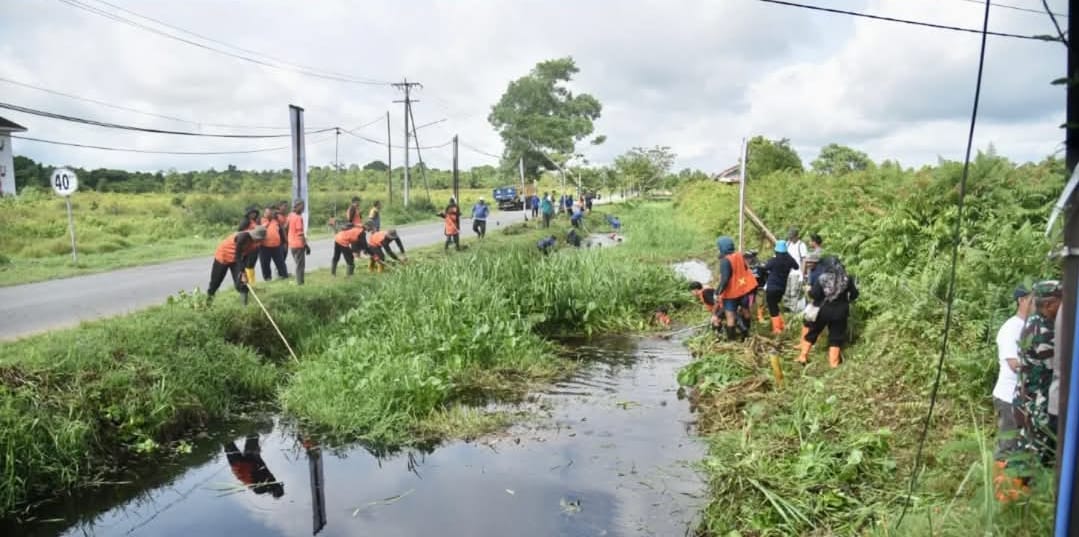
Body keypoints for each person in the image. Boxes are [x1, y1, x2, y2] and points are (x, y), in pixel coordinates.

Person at [1014, 280, 1062, 467]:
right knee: (1035, 457)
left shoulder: (1036, 321)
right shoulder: (1043, 331)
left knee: (1027, 452)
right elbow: (1060, 368)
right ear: (1049, 304)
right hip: (1037, 404)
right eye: (1062, 302)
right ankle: (1016, 491)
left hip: (1031, 399)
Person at [796, 256, 858, 367]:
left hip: (823, 310)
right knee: (836, 336)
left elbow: (815, 295)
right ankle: (833, 364)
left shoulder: (823, 278)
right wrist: (846, 300)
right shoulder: (847, 278)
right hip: (841, 312)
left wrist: (809, 290)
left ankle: (803, 356)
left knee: (813, 332)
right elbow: (854, 294)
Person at [992, 286, 1031, 461]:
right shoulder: (1011, 328)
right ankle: (1001, 486)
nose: (1035, 304)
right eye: (1032, 299)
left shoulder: (1030, 325)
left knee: (1021, 447)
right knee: (1007, 447)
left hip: (1023, 398)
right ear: (1021, 301)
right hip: (1008, 398)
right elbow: (1013, 364)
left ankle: (1015, 486)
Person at [714, 236, 759, 341]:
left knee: (730, 316)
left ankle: (731, 340)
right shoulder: (739, 255)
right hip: (744, 289)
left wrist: (717, 292)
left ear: (722, 247)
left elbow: (725, 279)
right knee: (746, 310)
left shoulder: (725, 261)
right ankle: (746, 334)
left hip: (732, 292)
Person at [208, 225, 266, 305]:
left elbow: (246, 259)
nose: (258, 241)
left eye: (260, 239)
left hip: (236, 261)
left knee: (243, 283)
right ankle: (208, 303)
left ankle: (244, 306)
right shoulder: (242, 237)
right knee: (215, 283)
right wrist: (242, 272)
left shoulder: (256, 245)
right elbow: (238, 255)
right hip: (223, 257)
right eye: (257, 239)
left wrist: (244, 273)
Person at [760, 240, 799, 335]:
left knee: (772, 307)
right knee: (775, 305)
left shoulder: (773, 261)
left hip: (772, 287)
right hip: (782, 288)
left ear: (776, 251)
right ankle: (782, 325)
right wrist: (788, 255)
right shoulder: (789, 260)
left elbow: (764, 268)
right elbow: (796, 267)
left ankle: (777, 329)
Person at [258, 206, 288, 281]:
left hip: (277, 246)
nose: (270, 214)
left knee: (280, 262)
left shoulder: (276, 220)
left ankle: (284, 275)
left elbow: (281, 232)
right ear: (264, 213)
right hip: (264, 246)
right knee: (265, 264)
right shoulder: (260, 220)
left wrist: (284, 242)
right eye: (269, 212)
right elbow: (258, 231)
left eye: (271, 212)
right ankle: (267, 278)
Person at [784, 228, 809, 310]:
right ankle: (787, 309)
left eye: (792, 237)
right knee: (786, 291)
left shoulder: (801, 245)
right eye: (790, 237)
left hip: (797, 272)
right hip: (788, 272)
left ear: (797, 236)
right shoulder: (788, 244)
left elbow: (804, 260)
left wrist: (802, 274)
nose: (791, 239)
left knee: (794, 292)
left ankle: (793, 310)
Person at [287, 201, 309, 285]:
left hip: (292, 244)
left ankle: (298, 281)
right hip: (298, 244)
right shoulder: (298, 218)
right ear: (297, 206)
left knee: (297, 263)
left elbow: (286, 227)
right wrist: (306, 245)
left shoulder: (290, 215)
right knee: (300, 265)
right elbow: (300, 234)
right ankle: (300, 282)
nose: (303, 208)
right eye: (302, 206)